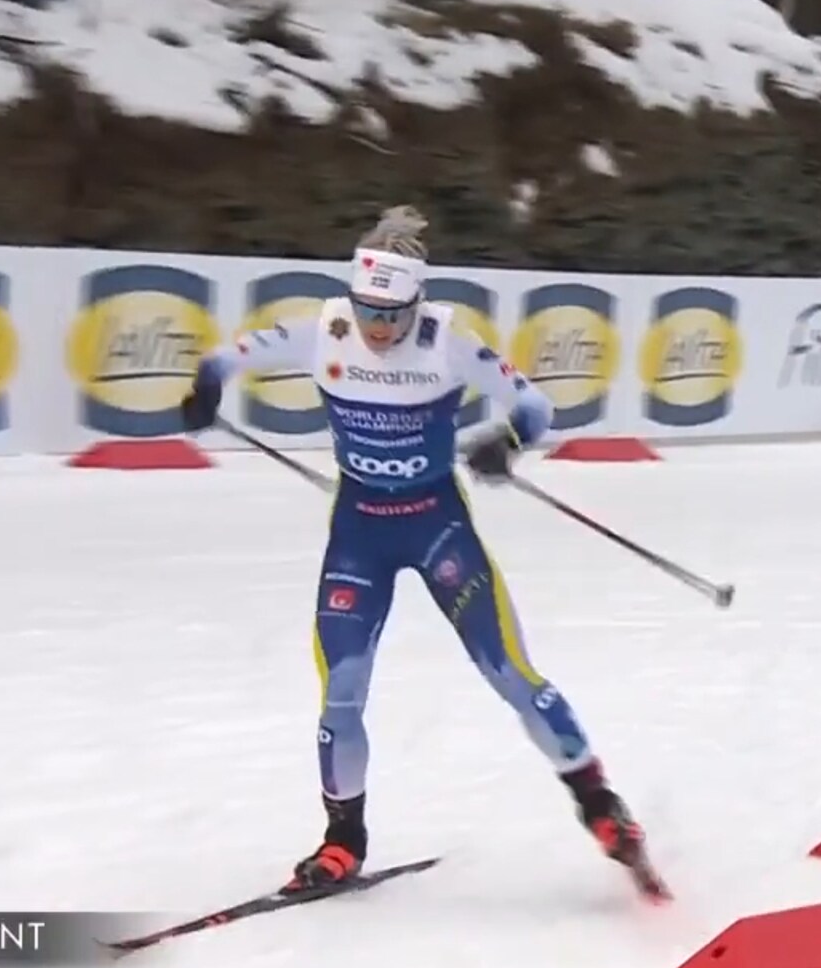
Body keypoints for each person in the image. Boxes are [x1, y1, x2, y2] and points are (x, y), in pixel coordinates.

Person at [176, 205, 664, 900]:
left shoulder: (447, 342)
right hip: (360, 534)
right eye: (368, 311)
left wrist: (510, 442)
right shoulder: (327, 329)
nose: (377, 329)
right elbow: (225, 357)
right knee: (340, 694)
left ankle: (601, 807)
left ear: (418, 305)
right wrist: (206, 388)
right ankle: (342, 841)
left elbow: (536, 406)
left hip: (438, 528)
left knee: (512, 675)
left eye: (392, 315)